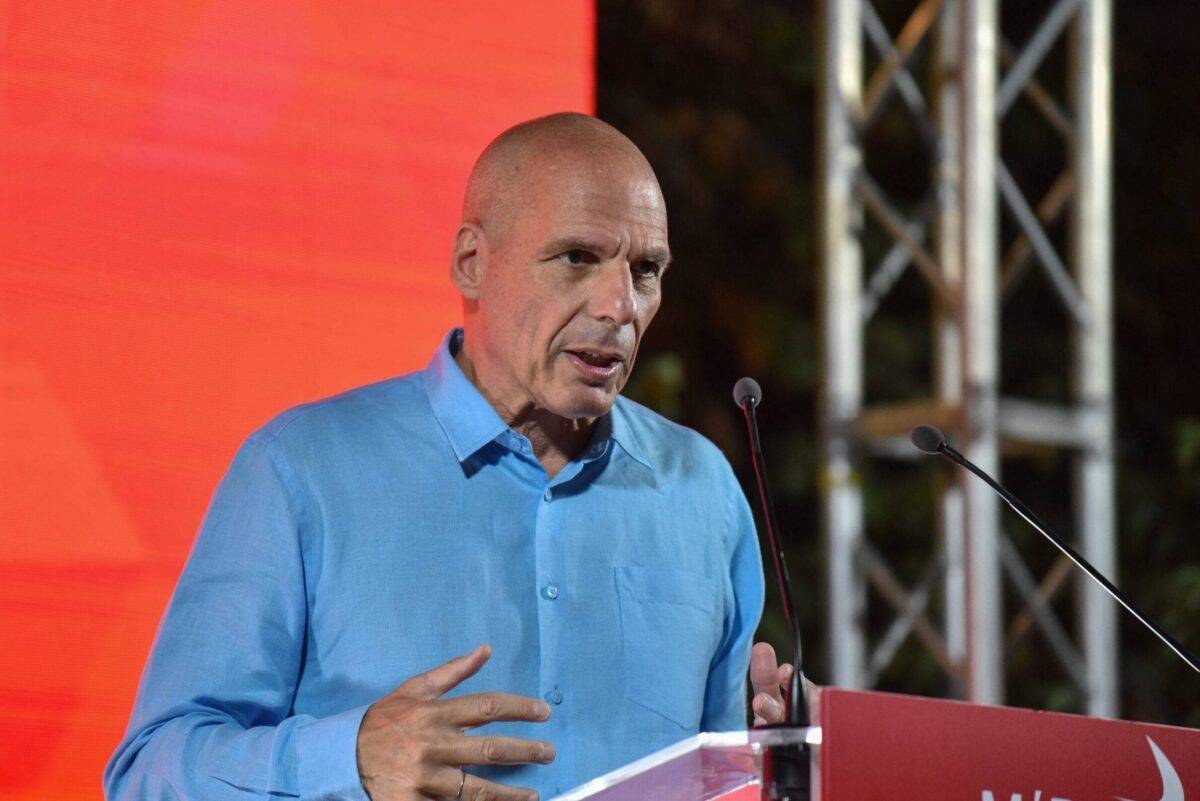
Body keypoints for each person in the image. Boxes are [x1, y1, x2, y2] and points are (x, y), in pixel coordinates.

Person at [104, 112, 795, 801]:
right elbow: (147, 773)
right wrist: (350, 760)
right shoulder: (300, 470)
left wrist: (785, 756)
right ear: (472, 262)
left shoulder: (703, 491)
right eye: (578, 257)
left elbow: (720, 778)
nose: (621, 304)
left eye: (646, 270)